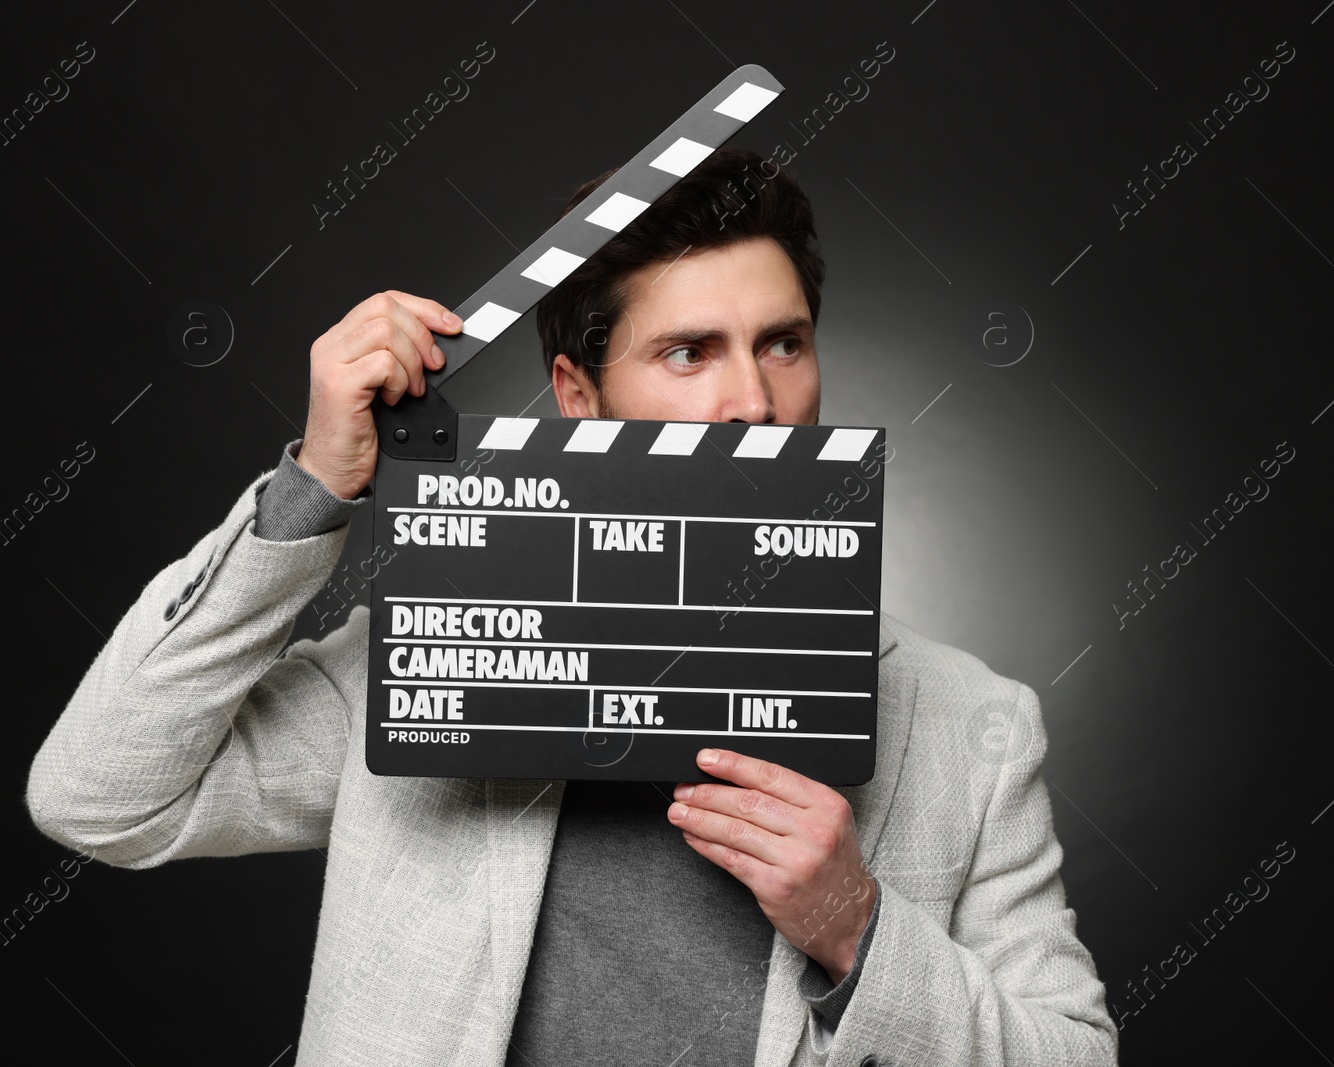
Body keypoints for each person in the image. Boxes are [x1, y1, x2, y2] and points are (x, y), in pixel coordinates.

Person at [26, 146, 1117, 1066]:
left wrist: (858, 928)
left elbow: (1075, 1051)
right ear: (578, 397)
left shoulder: (968, 723)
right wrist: (314, 484)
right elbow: (102, 796)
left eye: (782, 341)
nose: (753, 401)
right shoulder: (435, 658)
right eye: (688, 351)